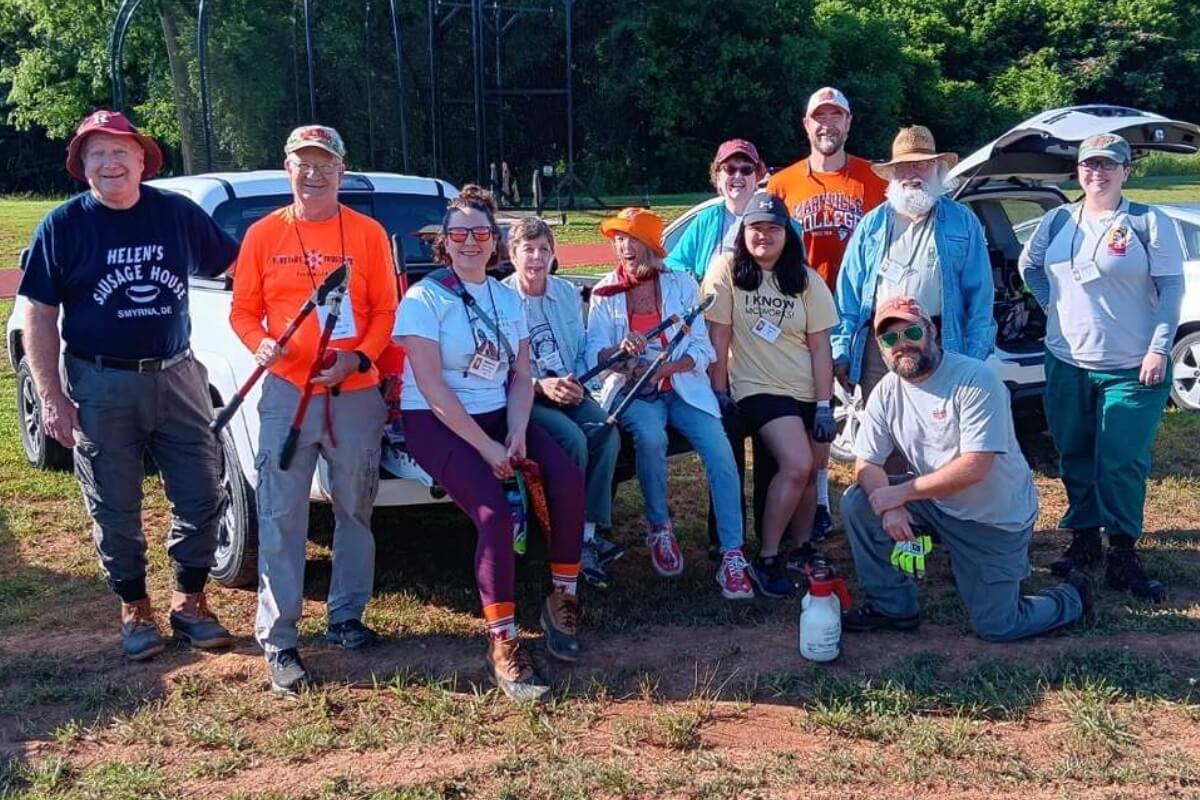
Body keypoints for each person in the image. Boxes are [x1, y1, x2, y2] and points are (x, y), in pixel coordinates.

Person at [18, 109, 238, 661]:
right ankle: (134, 608)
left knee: (203, 489)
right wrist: (51, 396)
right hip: (101, 380)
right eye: (97, 154)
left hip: (179, 373)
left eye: (121, 151)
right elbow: (39, 315)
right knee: (114, 502)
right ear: (82, 166)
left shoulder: (178, 216)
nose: (110, 162)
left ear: (142, 159)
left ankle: (190, 602)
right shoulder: (64, 226)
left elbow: (240, 270)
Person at [396, 186, 586, 702]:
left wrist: (519, 429)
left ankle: (562, 597)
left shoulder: (506, 296)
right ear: (445, 242)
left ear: (495, 240)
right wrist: (487, 447)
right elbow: (432, 389)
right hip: (436, 420)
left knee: (567, 477)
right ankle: (502, 641)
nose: (470, 242)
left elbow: (521, 375)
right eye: (459, 234)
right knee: (493, 514)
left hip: (501, 413)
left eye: (481, 233)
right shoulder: (424, 298)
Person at [230, 125, 399, 695]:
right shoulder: (261, 235)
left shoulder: (370, 233)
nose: (314, 173)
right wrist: (260, 343)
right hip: (287, 395)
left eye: (325, 163)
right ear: (287, 169)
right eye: (303, 163)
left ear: (341, 172)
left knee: (356, 509)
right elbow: (244, 311)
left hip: (354, 394)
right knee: (281, 514)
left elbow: (384, 309)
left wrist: (358, 358)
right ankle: (279, 640)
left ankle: (346, 615)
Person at [841, 296, 1090, 641]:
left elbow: (975, 466)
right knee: (858, 502)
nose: (902, 345)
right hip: (936, 504)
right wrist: (892, 505)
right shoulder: (886, 391)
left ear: (932, 331)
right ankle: (893, 607)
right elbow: (866, 461)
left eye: (911, 331)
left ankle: (1071, 598)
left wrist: (899, 493)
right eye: (889, 339)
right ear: (880, 348)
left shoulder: (976, 379)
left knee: (999, 626)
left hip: (993, 520)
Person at [1018, 133, 1184, 602]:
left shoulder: (1148, 221)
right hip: (1068, 359)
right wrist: (1055, 310)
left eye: (1109, 165)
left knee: (1121, 460)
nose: (1098, 173)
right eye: (1090, 165)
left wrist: (1158, 348)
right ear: (1078, 171)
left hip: (1131, 364)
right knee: (1074, 452)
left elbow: (1170, 290)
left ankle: (1124, 551)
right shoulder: (1057, 221)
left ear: (1126, 171)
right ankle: (1085, 539)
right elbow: (1030, 269)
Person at [586, 208, 753, 600]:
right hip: (633, 391)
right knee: (649, 436)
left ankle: (732, 552)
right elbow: (593, 354)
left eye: (632, 239)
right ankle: (660, 528)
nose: (624, 247)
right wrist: (620, 353)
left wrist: (668, 368)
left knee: (720, 449)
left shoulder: (681, 285)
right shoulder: (603, 292)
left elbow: (703, 348)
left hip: (682, 387)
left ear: (651, 247)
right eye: (618, 239)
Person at [704, 192, 839, 597]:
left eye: (773, 228)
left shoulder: (805, 278)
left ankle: (801, 548)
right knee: (796, 464)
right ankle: (766, 555)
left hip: (804, 387)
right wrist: (719, 392)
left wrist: (823, 404)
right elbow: (718, 336)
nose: (764, 236)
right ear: (743, 232)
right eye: (755, 228)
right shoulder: (727, 270)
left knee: (812, 473)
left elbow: (820, 347)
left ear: (787, 234)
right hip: (758, 386)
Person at [767, 87, 887, 541]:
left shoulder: (873, 179)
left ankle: (874, 501)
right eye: (819, 117)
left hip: (859, 315)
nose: (827, 125)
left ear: (848, 124)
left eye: (836, 117)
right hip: (801, 316)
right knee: (814, 413)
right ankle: (819, 504)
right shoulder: (783, 184)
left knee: (872, 412)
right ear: (806, 125)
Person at [834, 125, 994, 408]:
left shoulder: (963, 221)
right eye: (903, 166)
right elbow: (847, 296)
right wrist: (841, 352)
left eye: (920, 164)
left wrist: (973, 358)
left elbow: (980, 298)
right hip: (880, 345)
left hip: (942, 342)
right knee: (886, 431)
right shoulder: (871, 224)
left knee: (942, 431)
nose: (911, 174)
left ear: (936, 168)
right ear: (893, 174)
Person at [501, 217, 624, 588]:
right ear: (512, 254)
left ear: (554, 255)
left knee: (605, 429)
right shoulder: (501, 300)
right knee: (573, 439)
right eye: (528, 250)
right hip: (527, 396)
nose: (536, 258)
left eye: (544, 250)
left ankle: (586, 534)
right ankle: (561, 534)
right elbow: (502, 369)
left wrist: (585, 380)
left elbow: (583, 347)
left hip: (571, 389)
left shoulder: (568, 293)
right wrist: (542, 386)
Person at [665, 139, 768, 282]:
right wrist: (696, 282)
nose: (738, 176)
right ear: (718, 177)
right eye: (730, 169)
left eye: (746, 170)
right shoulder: (705, 219)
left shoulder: (772, 218)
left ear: (757, 177)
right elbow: (674, 264)